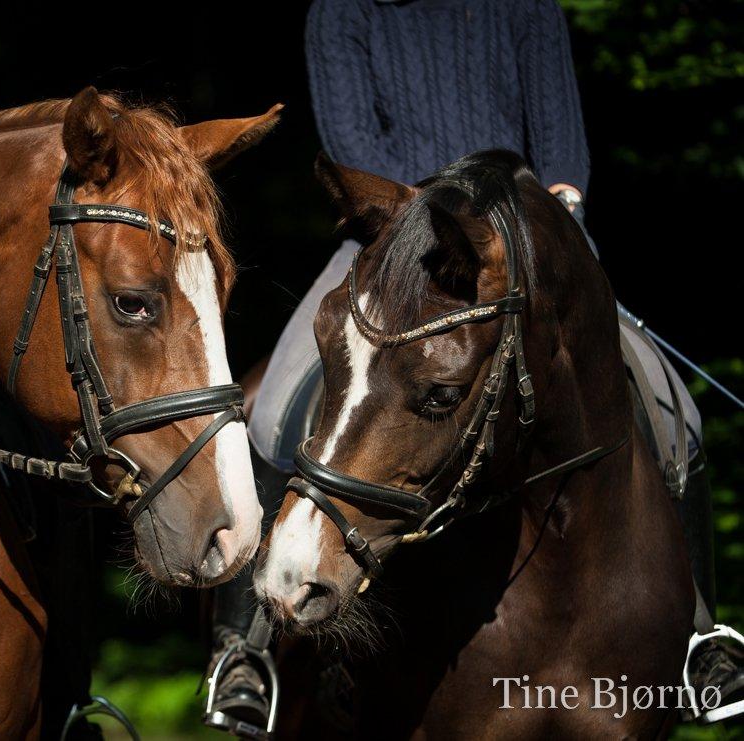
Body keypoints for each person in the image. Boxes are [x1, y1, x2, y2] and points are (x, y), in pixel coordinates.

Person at [204, 0, 592, 731]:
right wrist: (434, 228)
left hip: (521, 249)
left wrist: (556, 210)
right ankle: (244, 647)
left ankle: (699, 628)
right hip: (394, 241)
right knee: (273, 405)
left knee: (666, 402)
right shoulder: (345, 10)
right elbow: (352, 144)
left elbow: (560, 138)